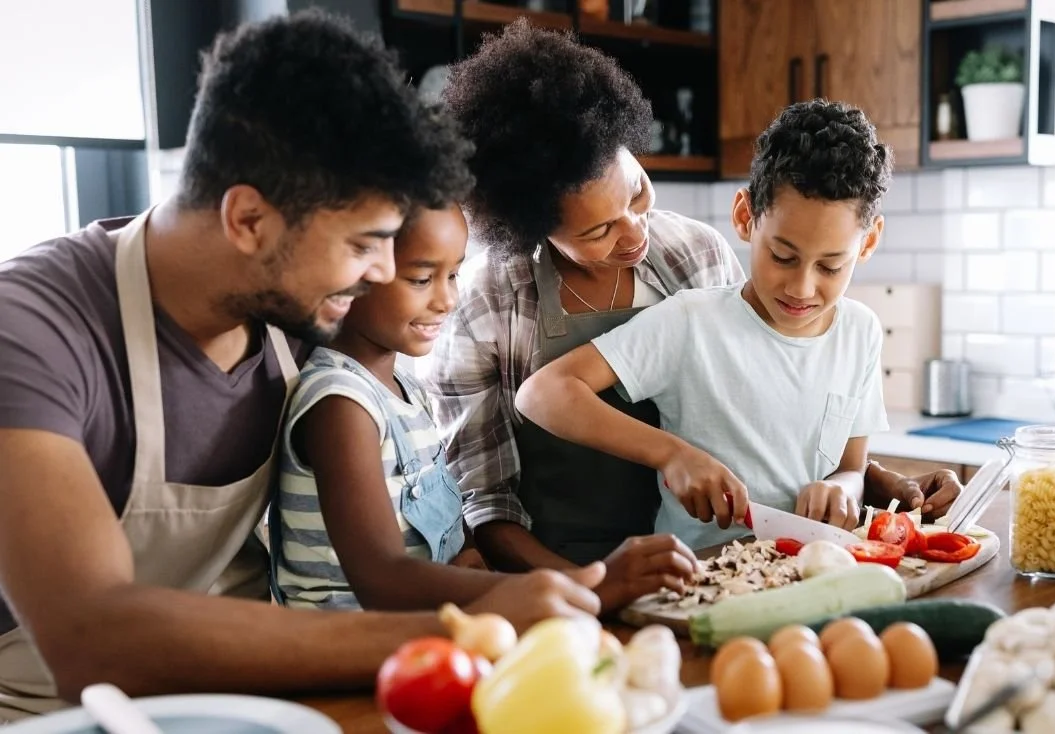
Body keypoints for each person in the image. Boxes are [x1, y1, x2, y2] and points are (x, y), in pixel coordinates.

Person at [0, 12, 601, 722]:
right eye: (364, 244)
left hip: (251, 699)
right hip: (49, 711)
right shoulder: (30, 330)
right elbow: (91, 639)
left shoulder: (300, 313)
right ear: (248, 220)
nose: (381, 273)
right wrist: (465, 630)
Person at [515, 100, 946, 550]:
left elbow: (851, 467)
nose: (801, 287)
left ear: (869, 242)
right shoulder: (689, 322)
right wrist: (672, 454)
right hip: (703, 573)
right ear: (745, 217)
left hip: (815, 566)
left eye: (830, 267)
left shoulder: (861, 332)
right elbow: (543, 394)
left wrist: (841, 488)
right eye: (782, 256)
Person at [425, 21, 741, 610]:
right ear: (531, 227)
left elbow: (754, 412)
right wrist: (591, 588)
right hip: (560, 579)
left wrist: (860, 471)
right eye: (598, 231)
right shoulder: (488, 300)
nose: (636, 234)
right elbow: (485, 504)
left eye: (638, 194)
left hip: (706, 569)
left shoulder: (696, 256)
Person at [272, 204, 529, 614]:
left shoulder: (407, 389)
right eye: (422, 279)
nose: (448, 300)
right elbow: (382, 578)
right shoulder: (341, 404)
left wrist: (467, 553)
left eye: (453, 275)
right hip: (348, 640)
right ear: (347, 274)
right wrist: (517, 591)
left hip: (420, 623)